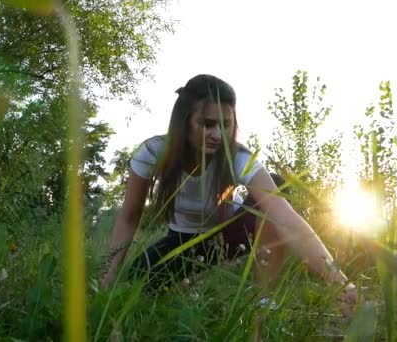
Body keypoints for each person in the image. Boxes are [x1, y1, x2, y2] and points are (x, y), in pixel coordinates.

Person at [100, 74, 357, 316]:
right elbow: (129, 217)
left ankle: (264, 302)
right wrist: (107, 277)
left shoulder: (239, 159)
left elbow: (286, 218)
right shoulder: (152, 152)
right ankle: (188, 282)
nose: (217, 135)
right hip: (181, 239)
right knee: (135, 289)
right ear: (185, 122)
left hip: (230, 234)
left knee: (276, 190)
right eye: (207, 124)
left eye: (225, 124)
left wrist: (339, 282)